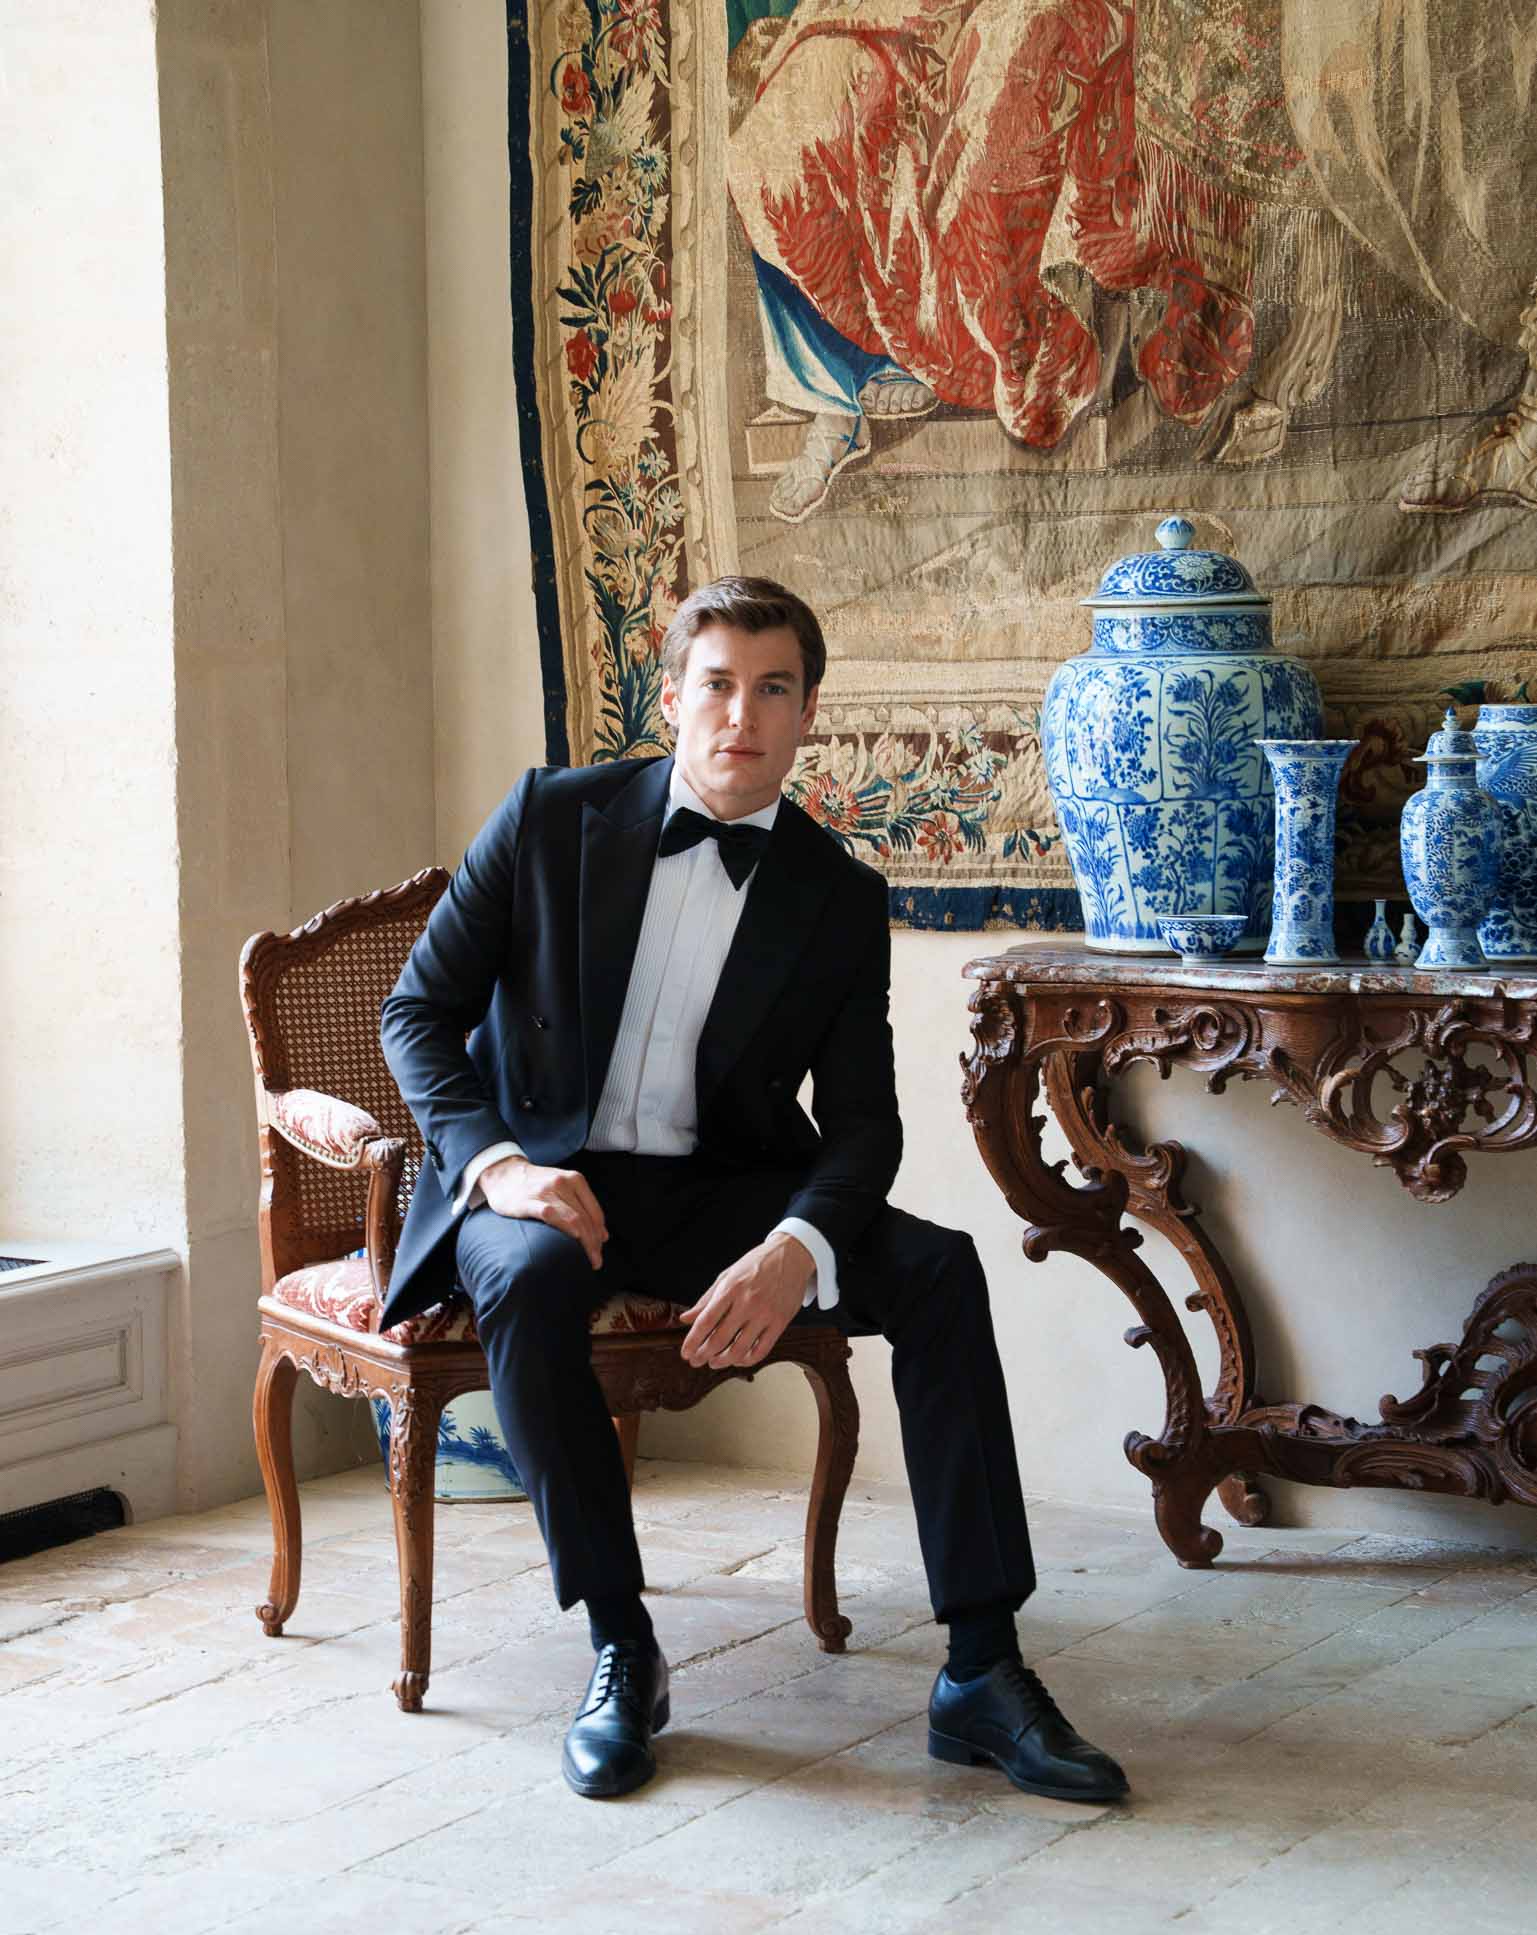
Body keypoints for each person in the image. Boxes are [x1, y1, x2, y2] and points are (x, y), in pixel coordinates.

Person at [380, 575, 1128, 1805]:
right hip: (542, 1183)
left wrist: (798, 1245)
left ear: (808, 712)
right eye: (718, 684)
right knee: (527, 1277)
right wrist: (499, 1166)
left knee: (938, 1269)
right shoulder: (549, 818)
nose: (743, 715)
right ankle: (622, 1647)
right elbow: (416, 1012)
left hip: (721, 1190)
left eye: (773, 688)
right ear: (672, 697)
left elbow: (866, 1124)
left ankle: (981, 1669)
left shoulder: (836, 893)